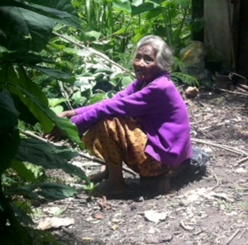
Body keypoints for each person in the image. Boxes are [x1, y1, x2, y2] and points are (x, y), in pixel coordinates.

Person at [58, 35, 192, 197]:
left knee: (109, 122)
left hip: (164, 162)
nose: (139, 63)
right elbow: (113, 101)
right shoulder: (142, 83)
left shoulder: (159, 88)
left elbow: (111, 108)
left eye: (148, 60)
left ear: (161, 65)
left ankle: (116, 183)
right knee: (111, 115)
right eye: (138, 57)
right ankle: (110, 172)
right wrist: (73, 113)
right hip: (163, 152)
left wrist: (72, 126)